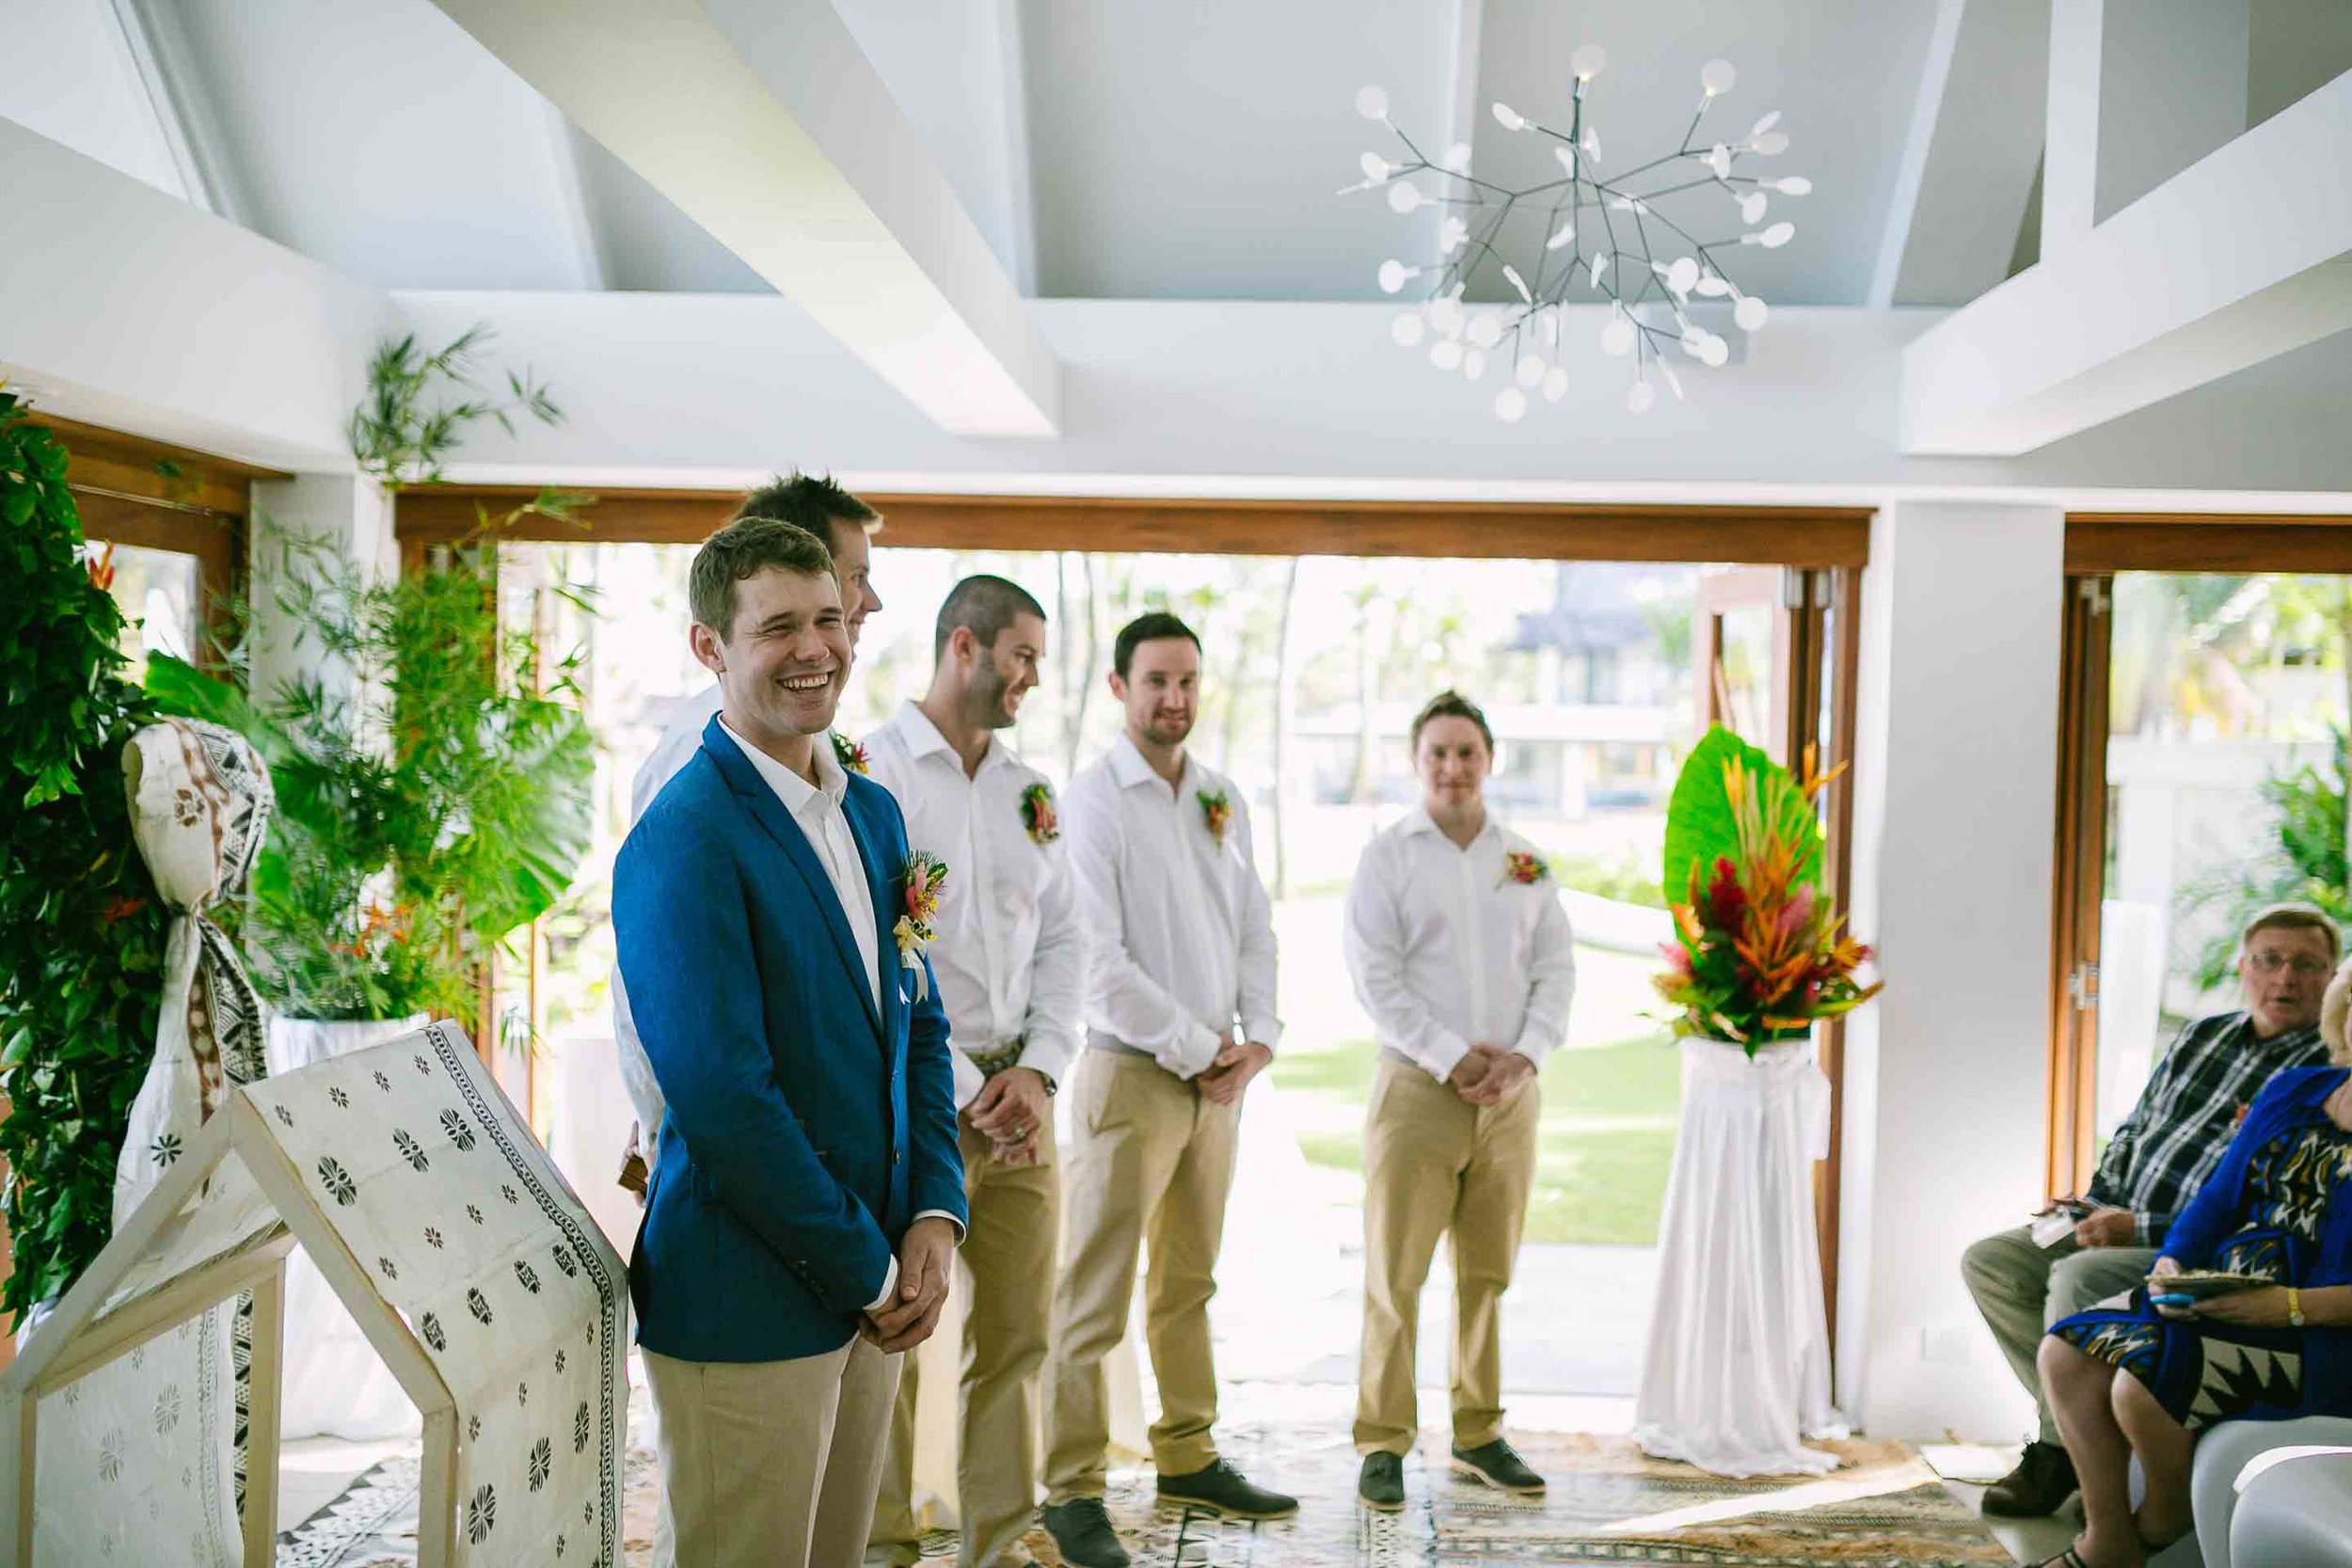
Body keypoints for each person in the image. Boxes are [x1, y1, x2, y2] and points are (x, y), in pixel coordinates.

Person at [613, 517, 964, 1568]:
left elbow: (920, 1025)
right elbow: (727, 1101)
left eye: (827, 617)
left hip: (876, 1286)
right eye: (777, 627)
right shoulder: (684, 836)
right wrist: (867, 1266)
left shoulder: (874, 815)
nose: (816, 647)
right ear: (709, 648)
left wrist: (934, 1215)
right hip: (750, 1297)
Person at [1039, 611, 1295, 1568]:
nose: (1173, 698)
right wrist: (1200, 1046)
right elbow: (1097, 961)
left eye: (1187, 680)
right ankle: (1070, 1486)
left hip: (1216, 1084)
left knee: (1188, 1280)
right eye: (1155, 680)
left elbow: (1255, 929)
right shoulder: (1092, 800)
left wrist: (1256, 1037)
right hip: (1129, 1073)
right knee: (1092, 1289)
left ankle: (1186, 1452)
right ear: (1118, 687)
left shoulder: (1220, 796)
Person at [1961, 904, 2337, 1517]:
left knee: (2077, 1277)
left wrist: (2139, 1228)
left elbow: (2271, 1204)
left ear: (2329, 977)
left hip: (2197, 1248)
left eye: (2306, 964)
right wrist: (2093, 1199)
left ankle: (2061, 1453)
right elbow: (2137, 1127)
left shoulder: (2320, 1073)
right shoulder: (2203, 1034)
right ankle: (2096, 1444)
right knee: (1993, 1261)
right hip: (2118, 1214)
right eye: (2270, 959)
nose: (2285, 978)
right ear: (2244, 966)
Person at [863, 576, 1082, 1568]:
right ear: (965, 646)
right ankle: (884, 1544)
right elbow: (874, 946)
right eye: (1022, 655)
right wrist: (963, 1085)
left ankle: (997, 1544)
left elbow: (1069, 940)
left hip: (1026, 1107)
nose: (1032, 676)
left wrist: (1036, 1071)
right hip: (920, 1107)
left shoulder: (1030, 791)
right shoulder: (871, 773)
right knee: (900, 1329)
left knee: (1019, 1339)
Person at [616, 472, 887, 1187]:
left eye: (835, 609)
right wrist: (659, 1134)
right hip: (743, 1183)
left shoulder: (855, 794)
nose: (870, 602)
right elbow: (671, 1007)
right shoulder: (690, 781)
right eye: (857, 576)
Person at [1343, 690, 1576, 1511]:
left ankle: (1479, 1431)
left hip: (1511, 1097)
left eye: (1466, 751)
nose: (1452, 767)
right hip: (1417, 1091)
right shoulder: (1389, 857)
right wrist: (1451, 1058)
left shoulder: (1527, 861)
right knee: (1394, 1274)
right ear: (1417, 761)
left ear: (1489, 758)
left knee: (1487, 1271)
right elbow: (1377, 976)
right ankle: (1382, 1439)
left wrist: (1523, 1058)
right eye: (1437, 752)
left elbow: (1556, 971)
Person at [2036, 1037, 2352, 1568]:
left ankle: (2164, 1527)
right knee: (2063, 1353)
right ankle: (2108, 1541)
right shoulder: (2297, 1087)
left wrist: (2290, 1307)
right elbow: (2218, 1196)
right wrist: (2174, 1260)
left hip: (2318, 1331)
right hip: (2225, 1290)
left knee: (2142, 1383)